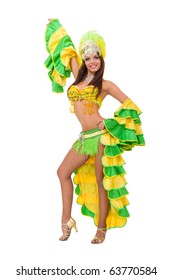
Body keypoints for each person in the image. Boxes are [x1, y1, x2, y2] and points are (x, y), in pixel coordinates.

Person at [44, 18, 145, 244]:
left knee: (101, 181)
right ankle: (66, 221)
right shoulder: (77, 74)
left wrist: (109, 123)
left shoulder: (105, 85)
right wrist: (55, 26)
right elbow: (66, 48)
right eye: (88, 57)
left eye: (95, 57)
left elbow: (131, 105)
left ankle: (101, 229)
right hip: (84, 139)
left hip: (100, 138)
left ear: (101, 58)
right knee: (62, 172)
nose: (92, 61)